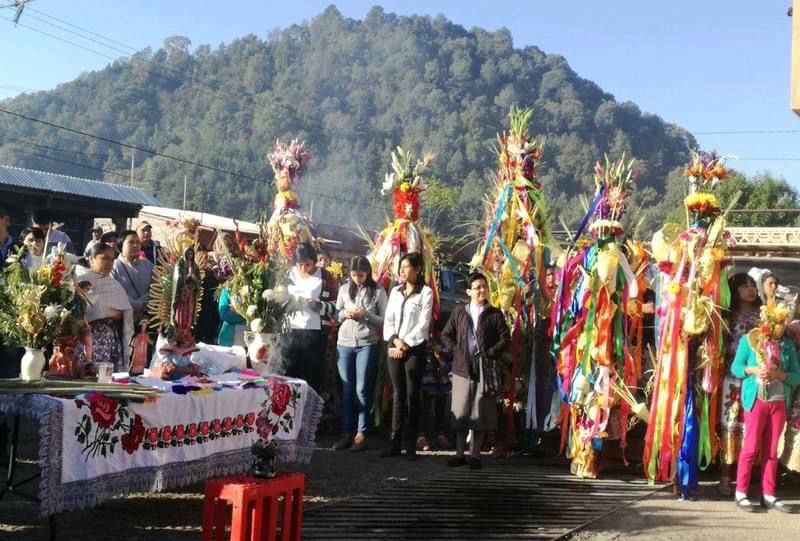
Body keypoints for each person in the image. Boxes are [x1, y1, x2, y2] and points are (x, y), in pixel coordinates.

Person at [731, 302, 800, 513]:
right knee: (751, 447)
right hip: (756, 400)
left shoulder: (788, 346)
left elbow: (797, 377)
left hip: (778, 401)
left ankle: (768, 494)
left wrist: (781, 375)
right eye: (776, 322)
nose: (780, 326)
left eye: (782, 322)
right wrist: (752, 369)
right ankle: (741, 492)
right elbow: (736, 367)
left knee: (772, 449)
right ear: (766, 322)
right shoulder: (750, 341)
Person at [441, 272, 510, 469]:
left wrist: (490, 352)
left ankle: (475, 455)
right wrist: (457, 350)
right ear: (469, 291)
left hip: (484, 370)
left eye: (484, 286)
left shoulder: (494, 314)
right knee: (461, 413)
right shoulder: (459, 312)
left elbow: (505, 339)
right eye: (477, 287)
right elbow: (446, 334)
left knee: (481, 413)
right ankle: (459, 453)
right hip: (462, 369)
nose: (482, 290)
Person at [381, 252, 434, 460]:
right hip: (395, 345)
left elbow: (423, 324)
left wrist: (407, 344)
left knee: (412, 395)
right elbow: (389, 320)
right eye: (400, 267)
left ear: (418, 269)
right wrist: (395, 340)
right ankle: (395, 442)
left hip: (414, 349)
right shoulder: (395, 292)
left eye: (406, 267)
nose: (402, 271)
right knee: (398, 394)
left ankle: (411, 442)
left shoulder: (425, 293)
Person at [332, 256, 388, 452]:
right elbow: (336, 313)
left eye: (361, 275)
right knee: (347, 388)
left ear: (368, 273)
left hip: (367, 343)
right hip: (344, 343)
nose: (357, 279)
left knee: (362, 389)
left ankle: (361, 433)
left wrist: (365, 314)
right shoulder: (344, 289)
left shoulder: (378, 291)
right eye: (354, 275)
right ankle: (347, 432)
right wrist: (343, 315)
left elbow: (385, 320)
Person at [719, 273, 763, 496]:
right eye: (744, 286)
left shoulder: (763, 317)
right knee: (730, 423)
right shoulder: (726, 315)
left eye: (752, 285)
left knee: (750, 426)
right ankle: (725, 475)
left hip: (755, 379)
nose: (750, 289)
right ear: (734, 291)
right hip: (732, 378)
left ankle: (745, 477)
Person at [282, 243, 338, 393]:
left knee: (312, 374)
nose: (304, 269)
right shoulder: (289, 274)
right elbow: (280, 298)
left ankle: (310, 410)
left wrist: (317, 305)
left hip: (315, 332)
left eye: (308, 265)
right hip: (291, 329)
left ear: (315, 261)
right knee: (290, 371)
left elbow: (336, 305)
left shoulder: (325, 277)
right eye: (300, 265)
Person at [77, 243, 134, 371]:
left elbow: (125, 313)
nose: (109, 263)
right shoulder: (78, 280)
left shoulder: (114, 285)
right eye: (104, 258)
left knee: (103, 378)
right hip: (83, 339)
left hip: (108, 340)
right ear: (91, 259)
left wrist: (109, 312)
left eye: (112, 259)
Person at [111, 230, 154, 325]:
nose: (135, 245)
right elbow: (114, 290)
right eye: (131, 242)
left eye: (138, 242)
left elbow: (155, 288)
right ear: (120, 246)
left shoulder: (149, 266)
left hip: (144, 319)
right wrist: (135, 304)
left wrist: (143, 301)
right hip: (121, 318)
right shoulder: (113, 266)